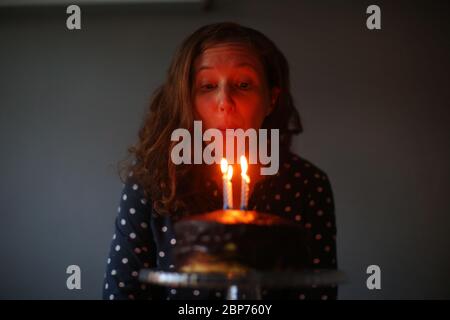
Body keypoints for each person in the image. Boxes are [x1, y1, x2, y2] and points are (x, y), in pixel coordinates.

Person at [103, 22, 338, 300]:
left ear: (271, 100)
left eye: (243, 84)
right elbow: (124, 292)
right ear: (187, 99)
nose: (224, 101)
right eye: (207, 85)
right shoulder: (152, 182)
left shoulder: (307, 185)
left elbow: (317, 293)